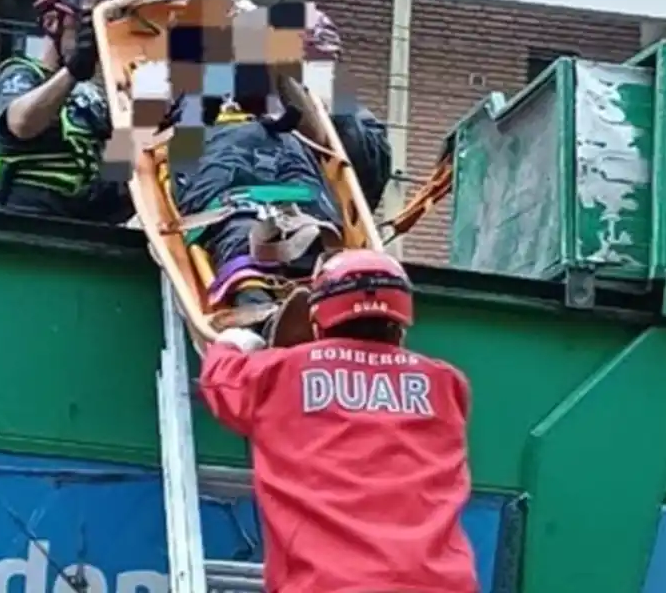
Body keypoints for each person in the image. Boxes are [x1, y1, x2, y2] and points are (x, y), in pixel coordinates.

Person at [199, 249, 480, 593]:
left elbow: (222, 382)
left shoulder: (281, 371)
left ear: (319, 320)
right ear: (403, 322)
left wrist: (233, 342)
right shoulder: (447, 384)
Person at [175, 0, 392, 338]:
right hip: (232, 186)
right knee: (241, 229)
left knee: (317, 236)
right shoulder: (203, 91)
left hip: (300, 193)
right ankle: (262, 313)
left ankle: (334, 310)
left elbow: (338, 154)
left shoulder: (342, 120)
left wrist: (286, 81)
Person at [0, 0, 132, 224]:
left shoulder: (92, 96)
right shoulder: (20, 72)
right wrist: (72, 71)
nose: (95, 40)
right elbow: (22, 123)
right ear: (51, 22)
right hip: (30, 217)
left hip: (89, 220)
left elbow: (119, 151)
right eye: (85, 27)